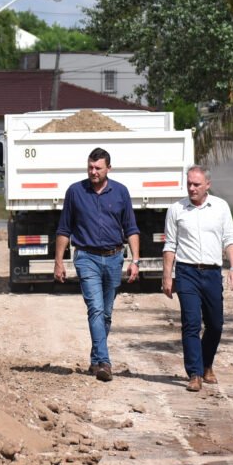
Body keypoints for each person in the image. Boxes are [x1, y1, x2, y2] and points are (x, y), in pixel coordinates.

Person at [54, 147, 140, 382]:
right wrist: (59, 261)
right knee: (96, 309)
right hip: (86, 257)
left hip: (114, 258)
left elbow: (131, 229)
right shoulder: (75, 192)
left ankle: (95, 360)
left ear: (108, 169)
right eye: (90, 167)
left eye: (98, 168)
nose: (93, 172)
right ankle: (104, 362)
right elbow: (64, 229)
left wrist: (135, 260)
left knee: (107, 313)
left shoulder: (121, 192)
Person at [161, 165, 233, 392]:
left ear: (208, 185)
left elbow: (230, 239)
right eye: (189, 184)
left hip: (212, 272)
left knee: (215, 324)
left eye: (197, 184)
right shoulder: (176, 209)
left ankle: (207, 364)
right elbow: (170, 245)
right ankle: (194, 373)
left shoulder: (221, 207)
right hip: (187, 272)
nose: (192, 188)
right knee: (191, 323)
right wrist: (167, 276)